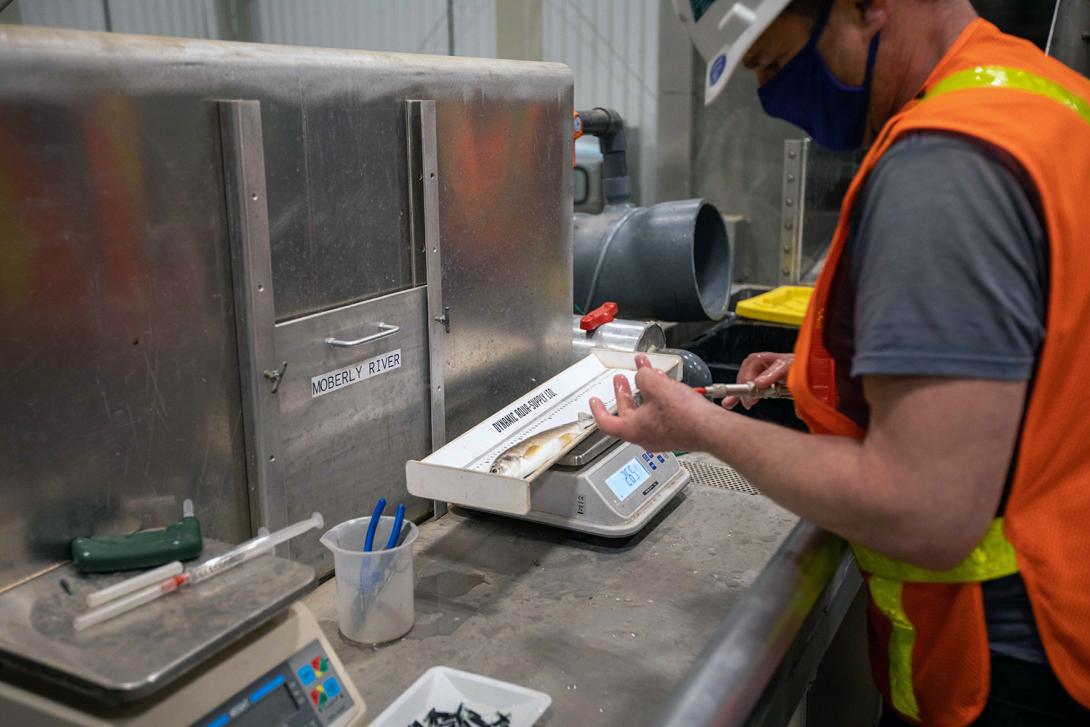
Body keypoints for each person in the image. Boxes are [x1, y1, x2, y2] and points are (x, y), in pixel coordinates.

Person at [590, 1, 1090, 724]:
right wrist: (824, 370)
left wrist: (701, 428)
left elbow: (925, 511)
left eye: (774, 63)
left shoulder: (943, 167)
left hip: (1003, 663)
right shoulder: (1043, 99)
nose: (771, 98)